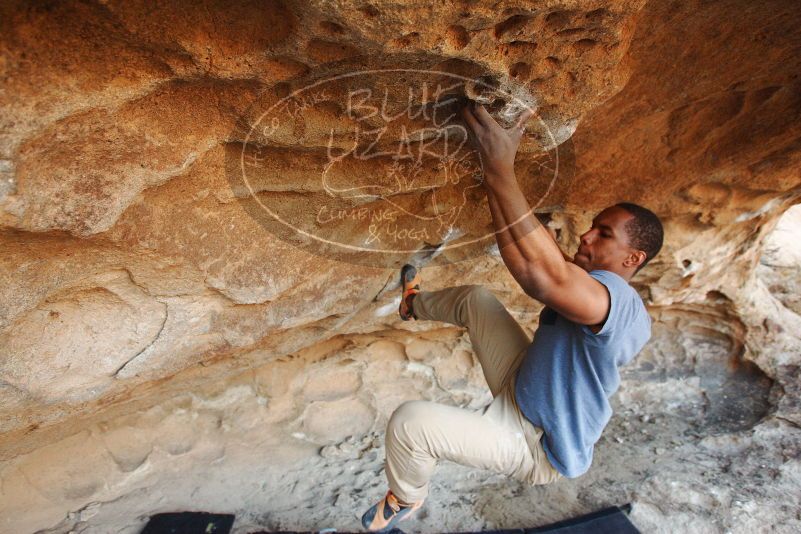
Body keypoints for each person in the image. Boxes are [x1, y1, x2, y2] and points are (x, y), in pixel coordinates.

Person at [361, 103, 664, 532]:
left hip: (535, 442)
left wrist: (500, 161)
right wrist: (492, 171)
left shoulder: (622, 303)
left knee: (412, 423)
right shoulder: (590, 283)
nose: (587, 234)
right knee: (477, 300)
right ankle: (412, 305)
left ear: (633, 258)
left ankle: (404, 499)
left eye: (604, 234)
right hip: (524, 383)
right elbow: (526, 259)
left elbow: (542, 278)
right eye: (593, 226)